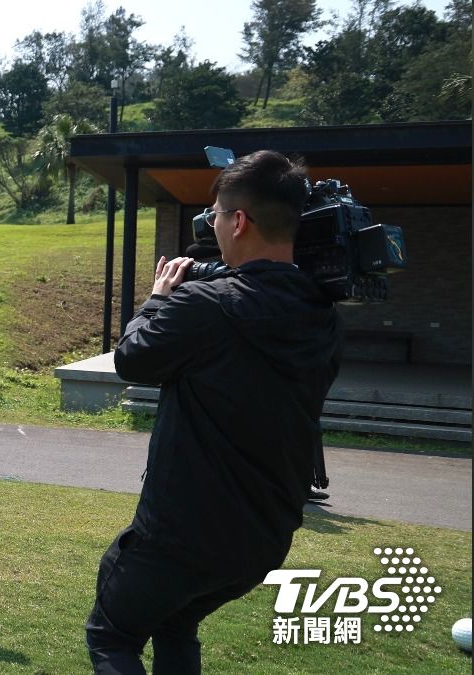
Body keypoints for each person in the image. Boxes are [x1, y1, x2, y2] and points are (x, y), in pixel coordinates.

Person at [85, 150, 342, 674]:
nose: (214, 226)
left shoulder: (206, 305)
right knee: (175, 621)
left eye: (217, 215)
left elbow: (132, 359)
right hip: (264, 538)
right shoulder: (322, 315)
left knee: (113, 636)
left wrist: (157, 298)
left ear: (239, 221)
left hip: (182, 533)